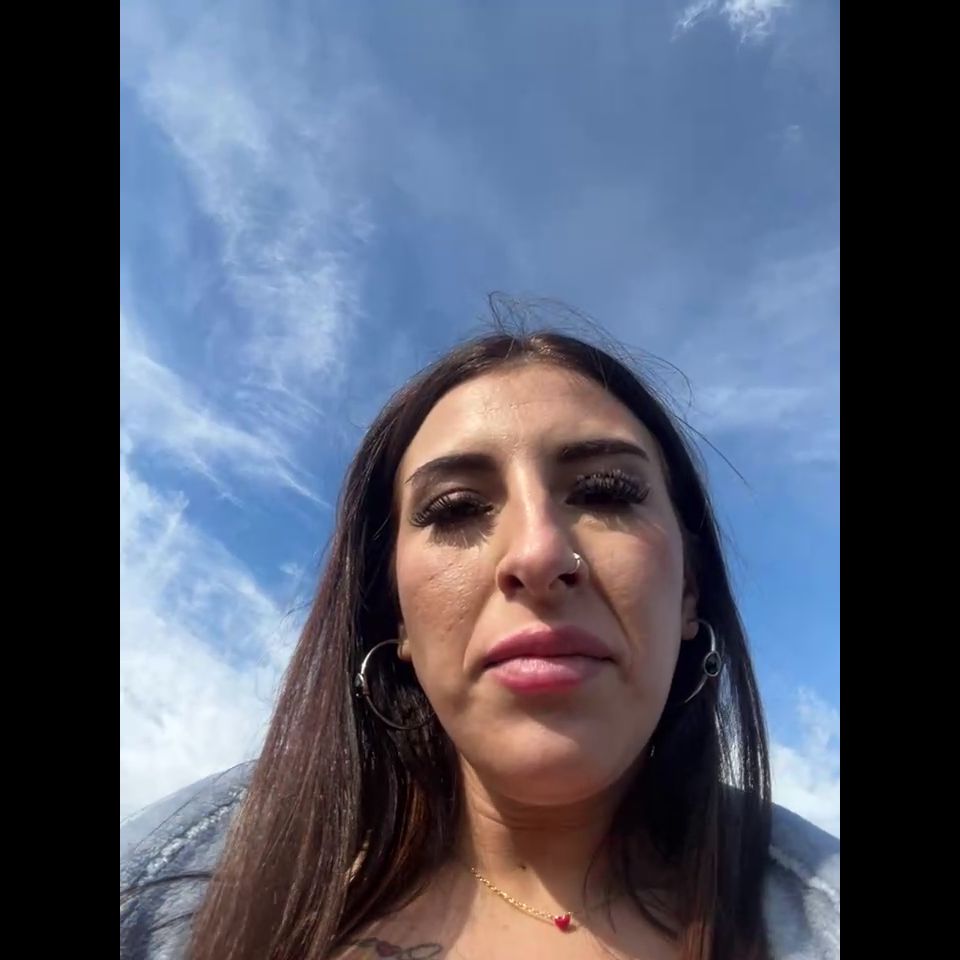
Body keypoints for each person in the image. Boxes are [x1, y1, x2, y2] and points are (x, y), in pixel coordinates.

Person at [121, 326, 839, 960]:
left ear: (688, 592)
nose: (537, 553)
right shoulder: (170, 877)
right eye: (456, 507)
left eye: (604, 492)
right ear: (397, 617)